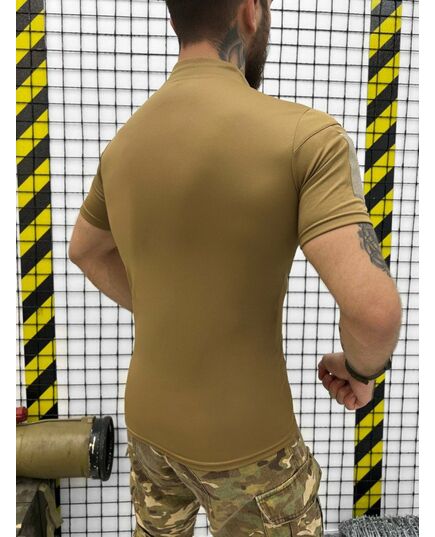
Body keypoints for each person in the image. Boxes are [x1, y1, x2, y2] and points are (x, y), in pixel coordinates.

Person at [68, 0, 403, 535]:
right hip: (251, 447)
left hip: (150, 430)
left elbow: (85, 250)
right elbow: (375, 311)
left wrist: (167, 311)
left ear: (175, 20)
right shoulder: (307, 137)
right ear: (250, 11)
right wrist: (360, 370)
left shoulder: (123, 145)